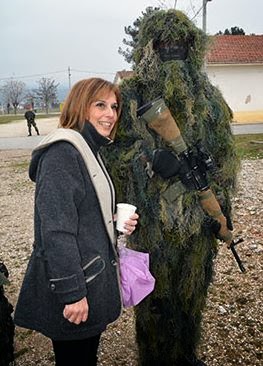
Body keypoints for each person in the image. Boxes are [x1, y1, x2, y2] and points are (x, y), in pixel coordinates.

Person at [103, 9, 239, 366]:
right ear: (149, 48)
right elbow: (110, 151)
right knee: (153, 302)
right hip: (150, 225)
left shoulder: (208, 98)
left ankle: (187, 355)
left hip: (197, 222)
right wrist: (147, 158)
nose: (173, 51)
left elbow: (225, 160)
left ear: (192, 48)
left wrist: (221, 213)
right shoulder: (129, 96)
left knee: (192, 296)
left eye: (181, 45)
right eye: (165, 45)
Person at [14, 77, 139, 366]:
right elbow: (56, 231)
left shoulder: (88, 148)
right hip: (77, 284)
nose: (110, 113)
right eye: (100, 105)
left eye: (114, 106)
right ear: (80, 107)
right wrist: (72, 294)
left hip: (91, 277)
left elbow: (79, 211)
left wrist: (112, 219)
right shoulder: (62, 154)